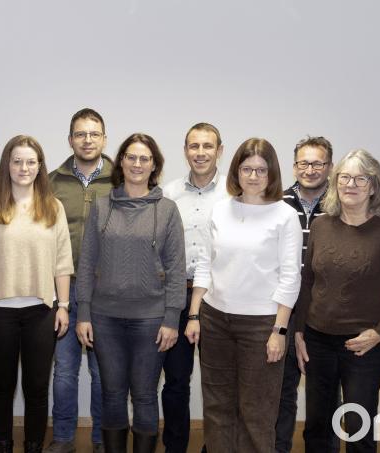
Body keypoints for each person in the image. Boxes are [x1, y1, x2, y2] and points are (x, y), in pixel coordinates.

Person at [294, 149, 380, 453]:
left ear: (374, 185)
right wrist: (299, 331)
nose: (351, 184)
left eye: (360, 178)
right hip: (317, 341)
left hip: (364, 347)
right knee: (317, 428)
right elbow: (309, 280)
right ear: (336, 182)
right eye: (344, 177)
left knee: (358, 429)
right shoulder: (322, 225)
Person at [185, 137, 302, 453]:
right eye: (247, 168)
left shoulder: (285, 215)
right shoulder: (221, 211)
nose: (253, 176)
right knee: (218, 407)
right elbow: (205, 266)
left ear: (271, 173)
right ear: (236, 171)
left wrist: (279, 330)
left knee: (257, 411)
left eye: (260, 170)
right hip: (215, 320)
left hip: (262, 326)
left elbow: (291, 278)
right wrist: (194, 314)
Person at [76, 133, 186, 453]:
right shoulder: (101, 206)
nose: (137, 164)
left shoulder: (167, 210)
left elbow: (176, 270)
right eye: (131, 157)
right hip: (105, 318)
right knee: (111, 393)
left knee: (144, 395)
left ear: (154, 166)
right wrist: (83, 313)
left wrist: (171, 319)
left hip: (151, 320)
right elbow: (86, 264)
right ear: (121, 161)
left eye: (144, 159)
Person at [0, 134, 72, 453]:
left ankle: (34, 446)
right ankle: (3, 446)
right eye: (17, 161)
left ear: (40, 167)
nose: (24, 167)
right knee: (1, 386)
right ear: (7, 164)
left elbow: (63, 262)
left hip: (41, 311)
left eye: (30, 161)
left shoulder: (53, 208)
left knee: (37, 388)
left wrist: (63, 305)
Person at [46, 108, 112, 453]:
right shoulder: (51, 181)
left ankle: (102, 438)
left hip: (105, 291)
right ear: (70, 139)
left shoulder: (120, 178)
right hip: (64, 288)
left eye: (94, 134)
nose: (87, 140)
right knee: (65, 369)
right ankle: (63, 438)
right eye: (80, 134)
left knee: (103, 373)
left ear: (104, 138)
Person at [160, 122, 228, 453]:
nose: (200, 153)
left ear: (220, 151)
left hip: (219, 299)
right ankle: (175, 447)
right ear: (185, 150)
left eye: (207, 146)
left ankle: (214, 447)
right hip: (176, 294)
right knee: (175, 382)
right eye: (194, 146)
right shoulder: (169, 193)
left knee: (219, 384)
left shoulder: (234, 194)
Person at [277, 136, 338, 453]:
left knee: (324, 394)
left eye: (318, 163)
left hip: (325, 313)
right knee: (281, 390)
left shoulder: (344, 204)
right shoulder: (277, 201)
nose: (310, 169)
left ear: (329, 166)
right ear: (294, 165)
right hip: (282, 309)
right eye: (304, 162)